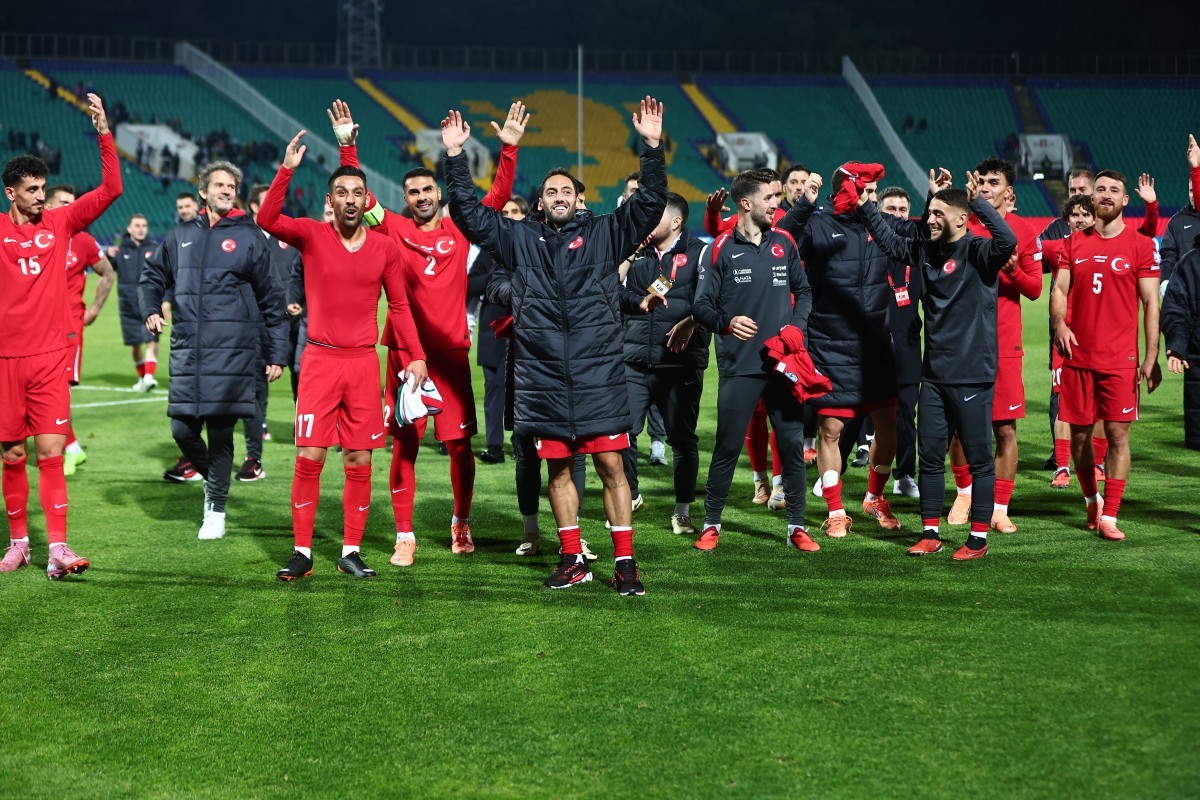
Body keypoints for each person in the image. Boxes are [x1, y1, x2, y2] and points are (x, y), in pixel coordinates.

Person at [443, 97, 667, 595]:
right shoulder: (520, 238)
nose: (559, 196)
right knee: (558, 469)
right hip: (543, 375)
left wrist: (651, 147)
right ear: (541, 203)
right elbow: (468, 216)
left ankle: (625, 562)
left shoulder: (608, 231)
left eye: (567, 190)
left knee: (611, 466)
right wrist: (456, 157)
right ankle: (572, 558)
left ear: (579, 198)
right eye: (551, 192)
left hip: (597, 374)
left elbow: (650, 205)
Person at [331, 98, 520, 566]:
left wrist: (509, 150)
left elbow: (496, 199)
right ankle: (405, 535)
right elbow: (356, 195)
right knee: (405, 444)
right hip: (404, 355)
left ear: (439, 193)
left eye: (427, 189)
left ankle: (461, 522)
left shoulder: (460, 228)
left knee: (459, 446)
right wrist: (348, 147)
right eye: (413, 192)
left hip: (450, 355)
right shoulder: (391, 228)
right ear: (406, 198)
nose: (421, 197)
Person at [258, 130, 427, 581]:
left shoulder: (384, 247)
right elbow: (267, 218)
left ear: (365, 199)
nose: (350, 199)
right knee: (309, 457)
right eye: (341, 193)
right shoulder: (312, 235)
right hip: (319, 362)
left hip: (362, 365)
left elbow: (399, 305)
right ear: (330, 201)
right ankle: (302, 552)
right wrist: (286, 169)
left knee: (359, 460)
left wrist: (416, 355)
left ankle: (350, 550)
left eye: (357, 193)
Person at [862, 173, 1016, 559]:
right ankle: (930, 532)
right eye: (929, 212)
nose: (929, 219)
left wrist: (977, 201)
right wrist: (866, 206)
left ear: (962, 219)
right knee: (930, 458)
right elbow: (890, 243)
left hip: (973, 375)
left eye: (937, 213)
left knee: (979, 460)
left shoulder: (979, 252)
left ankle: (977, 538)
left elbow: (1007, 241)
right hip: (933, 375)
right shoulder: (926, 251)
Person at [0, 93, 121, 578]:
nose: (40, 196)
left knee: (51, 453)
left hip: (50, 357)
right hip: (6, 360)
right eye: (31, 189)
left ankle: (58, 548)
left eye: (43, 188)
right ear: (11, 193)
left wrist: (103, 133)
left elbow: (111, 188)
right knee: (12, 455)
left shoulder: (62, 222)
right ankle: (19, 544)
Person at [141, 161, 290, 540]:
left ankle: (216, 511)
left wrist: (276, 353)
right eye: (219, 185)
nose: (226, 190)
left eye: (231, 186)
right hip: (188, 352)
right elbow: (153, 275)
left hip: (233, 353)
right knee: (181, 429)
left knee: (221, 435)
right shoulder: (180, 235)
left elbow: (273, 298)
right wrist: (151, 308)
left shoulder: (249, 236)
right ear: (203, 191)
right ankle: (215, 480)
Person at [691, 168, 814, 551]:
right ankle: (712, 524)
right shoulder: (719, 248)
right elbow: (701, 306)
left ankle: (797, 527)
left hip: (782, 365)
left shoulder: (785, 243)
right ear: (746, 203)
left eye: (777, 197)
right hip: (740, 366)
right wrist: (726, 323)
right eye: (769, 198)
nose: (777, 203)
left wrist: (797, 328)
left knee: (791, 446)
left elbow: (804, 291)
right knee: (727, 447)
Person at [776, 162, 901, 538]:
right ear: (845, 190)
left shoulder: (881, 224)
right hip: (830, 343)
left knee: (888, 427)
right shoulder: (817, 223)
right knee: (830, 428)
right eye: (865, 191)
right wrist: (804, 204)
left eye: (874, 193)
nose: (871, 199)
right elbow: (781, 242)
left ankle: (875, 497)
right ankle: (835, 510)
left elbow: (917, 243)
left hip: (876, 345)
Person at [1050, 169, 1161, 542]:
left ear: (1125, 200)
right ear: (1091, 197)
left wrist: (1151, 356)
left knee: (1117, 436)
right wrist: (1060, 325)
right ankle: (1091, 499)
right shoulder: (1072, 243)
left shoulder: (1140, 245)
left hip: (1120, 361)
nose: (1107, 195)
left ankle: (1110, 515)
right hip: (1078, 358)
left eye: (1114, 190)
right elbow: (1059, 290)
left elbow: (1151, 302)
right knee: (1080, 439)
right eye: (1100, 190)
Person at [944, 158, 1043, 534]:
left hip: (1004, 345)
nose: (985, 187)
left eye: (993, 182)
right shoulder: (961, 226)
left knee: (1004, 430)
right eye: (981, 181)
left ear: (1009, 192)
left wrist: (1013, 269)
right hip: (962, 344)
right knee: (958, 429)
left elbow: (1035, 289)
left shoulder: (1024, 231)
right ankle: (965, 494)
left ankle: (999, 508)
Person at [621, 192, 711, 535]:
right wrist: (629, 252)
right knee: (622, 434)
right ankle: (629, 495)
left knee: (682, 441)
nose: (647, 221)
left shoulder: (700, 254)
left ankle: (682, 511)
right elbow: (613, 289)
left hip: (679, 364)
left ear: (676, 221)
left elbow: (715, 299)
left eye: (655, 216)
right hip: (634, 361)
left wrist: (693, 321)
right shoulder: (637, 252)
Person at [43, 184, 115, 477]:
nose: (71, 208)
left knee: (58, 390)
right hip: (37, 327)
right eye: (65, 203)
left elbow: (107, 273)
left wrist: (94, 309)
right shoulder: (36, 237)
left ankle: (70, 449)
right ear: (47, 206)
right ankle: (68, 446)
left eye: (73, 203)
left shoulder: (83, 240)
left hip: (69, 327)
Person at [237, 182, 305, 480]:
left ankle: (301, 420)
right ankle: (260, 423)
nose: (276, 205)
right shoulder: (245, 237)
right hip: (259, 321)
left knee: (299, 371)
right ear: (254, 206)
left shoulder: (288, 234)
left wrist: (296, 300)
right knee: (260, 374)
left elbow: (298, 275)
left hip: (292, 319)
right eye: (268, 201)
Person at [472, 195, 529, 464]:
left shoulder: (534, 247)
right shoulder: (490, 250)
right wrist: (496, 279)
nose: (509, 216)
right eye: (504, 212)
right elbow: (469, 284)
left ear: (526, 216)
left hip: (527, 330)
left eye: (515, 211)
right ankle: (494, 445)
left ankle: (522, 442)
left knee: (524, 391)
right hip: (494, 331)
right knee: (494, 388)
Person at [877, 187, 921, 498]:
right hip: (869, 349)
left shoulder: (917, 257)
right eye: (890, 209)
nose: (897, 215)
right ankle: (834, 475)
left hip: (906, 349)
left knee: (906, 416)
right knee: (851, 416)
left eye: (902, 210)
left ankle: (904, 475)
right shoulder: (867, 253)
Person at [114, 213, 165, 391]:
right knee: (135, 345)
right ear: (129, 229)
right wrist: (107, 253)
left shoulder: (155, 249)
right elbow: (104, 268)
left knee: (152, 341)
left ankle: (149, 377)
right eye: (137, 225)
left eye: (143, 225)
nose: (141, 229)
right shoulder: (120, 251)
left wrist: (165, 300)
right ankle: (142, 378)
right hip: (127, 306)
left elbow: (165, 276)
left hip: (150, 304)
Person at [1158, 179, 1199, 288]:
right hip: (1187, 288)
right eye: (1191, 190)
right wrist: (1165, 281)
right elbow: (1168, 256)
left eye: (1197, 190)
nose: (1194, 195)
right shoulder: (1176, 222)